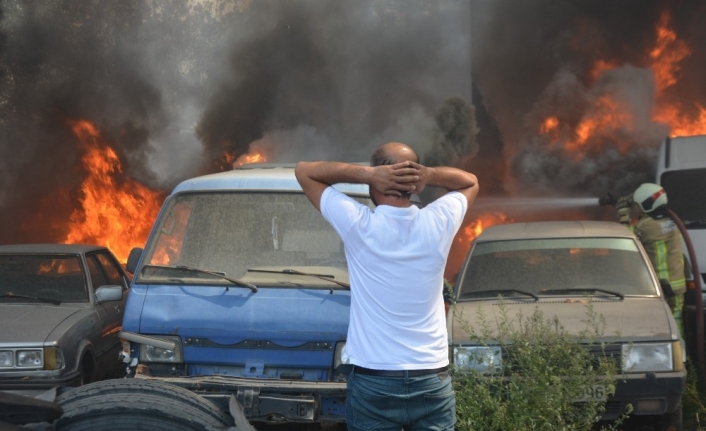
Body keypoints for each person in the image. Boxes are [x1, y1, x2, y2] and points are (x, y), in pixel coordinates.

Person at [295, 142, 478, 431]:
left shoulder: (358, 224)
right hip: (431, 378)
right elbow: (470, 182)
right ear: (414, 185)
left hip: (374, 381)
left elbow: (304, 171)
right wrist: (429, 175)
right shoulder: (439, 221)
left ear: (379, 180)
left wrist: (368, 175)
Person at [616, 183, 686, 335]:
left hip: (660, 285)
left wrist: (623, 213)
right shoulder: (672, 220)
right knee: (676, 322)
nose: (635, 208)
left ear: (647, 204)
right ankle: (680, 354)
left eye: (637, 205)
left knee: (658, 325)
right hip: (677, 283)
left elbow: (625, 238)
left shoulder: (647, 227)